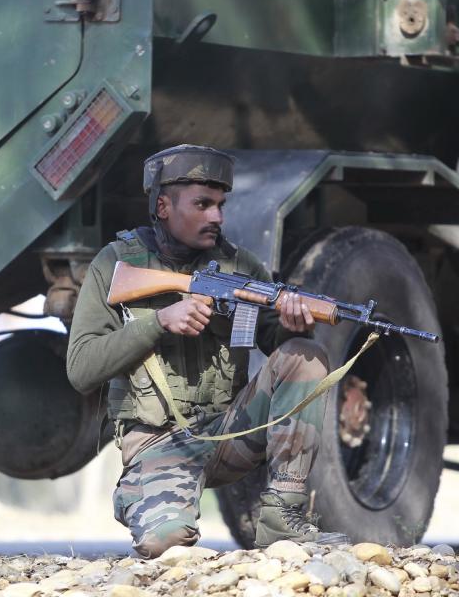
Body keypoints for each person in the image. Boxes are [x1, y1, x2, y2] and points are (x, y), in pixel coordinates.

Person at [66, 144, 348, 558]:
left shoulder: (240, 267)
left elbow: (279, 350)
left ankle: (281, 518)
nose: (216, 216)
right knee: (166, 544)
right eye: (202, 204)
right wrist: (159, 323)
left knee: (306, 355)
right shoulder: (116, 266)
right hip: (155, 443)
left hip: (229, 431)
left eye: (220, 205)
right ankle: (139, 494)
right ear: (163, 206)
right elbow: (81, 369)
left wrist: (293, 325)